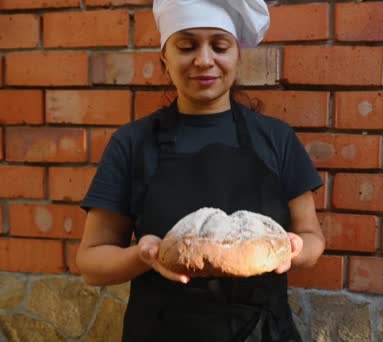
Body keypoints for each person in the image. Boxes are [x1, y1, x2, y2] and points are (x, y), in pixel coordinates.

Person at [75, 0, 325, 340]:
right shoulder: (132, 143)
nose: (204, 60)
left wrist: (294, 250)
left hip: (264, 332)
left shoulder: (276, 138)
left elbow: (312, 238)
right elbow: (91, 264)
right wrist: (143, 254)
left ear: (237, 53)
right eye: (187, 46)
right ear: (165, 55)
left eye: (219, 46)